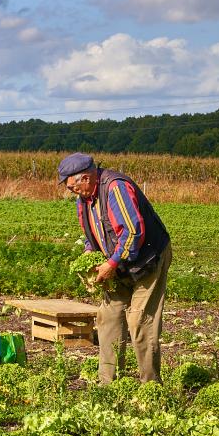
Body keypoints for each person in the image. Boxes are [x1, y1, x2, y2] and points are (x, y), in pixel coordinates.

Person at [58, 153, 172, 384]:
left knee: (140, 321)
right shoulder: (85, 199)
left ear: (86, 178)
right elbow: (91, 234)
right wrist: (91, 256)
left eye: (73, 187)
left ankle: (150, 386)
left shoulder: (116, 188)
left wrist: (111, 263)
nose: (72, 192)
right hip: (119, 263)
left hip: (147, 259)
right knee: (108, 317)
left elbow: (133, 232)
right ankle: (108, 383)